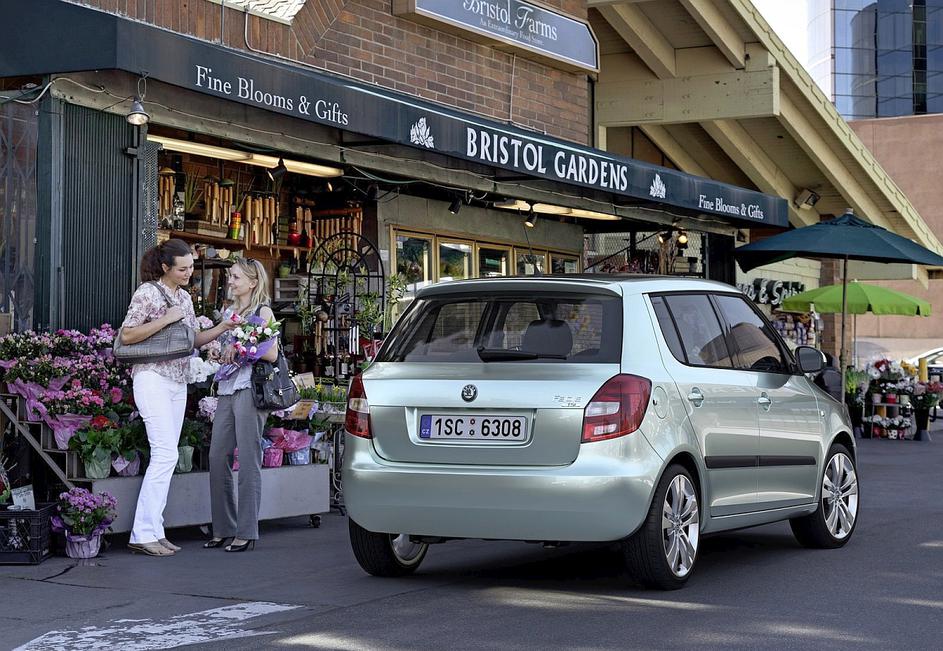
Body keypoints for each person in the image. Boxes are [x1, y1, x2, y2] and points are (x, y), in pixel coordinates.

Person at [120, 239, 236, 557]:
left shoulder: (184, 298)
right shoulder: (147, 292)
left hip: (177, 380)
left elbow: (191, 340)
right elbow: (127, 335)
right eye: (182, 269)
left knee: (167, 456)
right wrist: (166, 319)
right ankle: (143, 533)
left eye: (191, 268)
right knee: (165, 454)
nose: (188, 273)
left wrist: (222, 328)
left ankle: (154, 531)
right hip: (151, 377)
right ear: (165, 267)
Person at [205, 258, 278, 553]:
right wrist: (219, 352)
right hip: (227, 387)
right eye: (230, 276)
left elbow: (272, 353)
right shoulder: (229, 312)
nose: (231, 281)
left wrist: (241, 349)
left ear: (252, 282)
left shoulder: (263, 312)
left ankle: (246, 531)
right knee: (216, 455)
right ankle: (223, 527)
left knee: (248, 458)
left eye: (235, 277)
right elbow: (226, 347)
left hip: (250, 388)